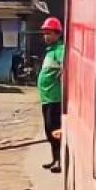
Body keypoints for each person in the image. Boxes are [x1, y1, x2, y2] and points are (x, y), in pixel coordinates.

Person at [37, 17, 65, 174]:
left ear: (57, 34)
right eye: (44, 33)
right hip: (47, 99)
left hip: (55, 99)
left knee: (55, 131)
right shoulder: (50, 52)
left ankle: (59, 161)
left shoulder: (60, 50)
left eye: (49, 33)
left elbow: (65, 65)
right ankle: (54, 159)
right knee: (49, 130)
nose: (46, 36)